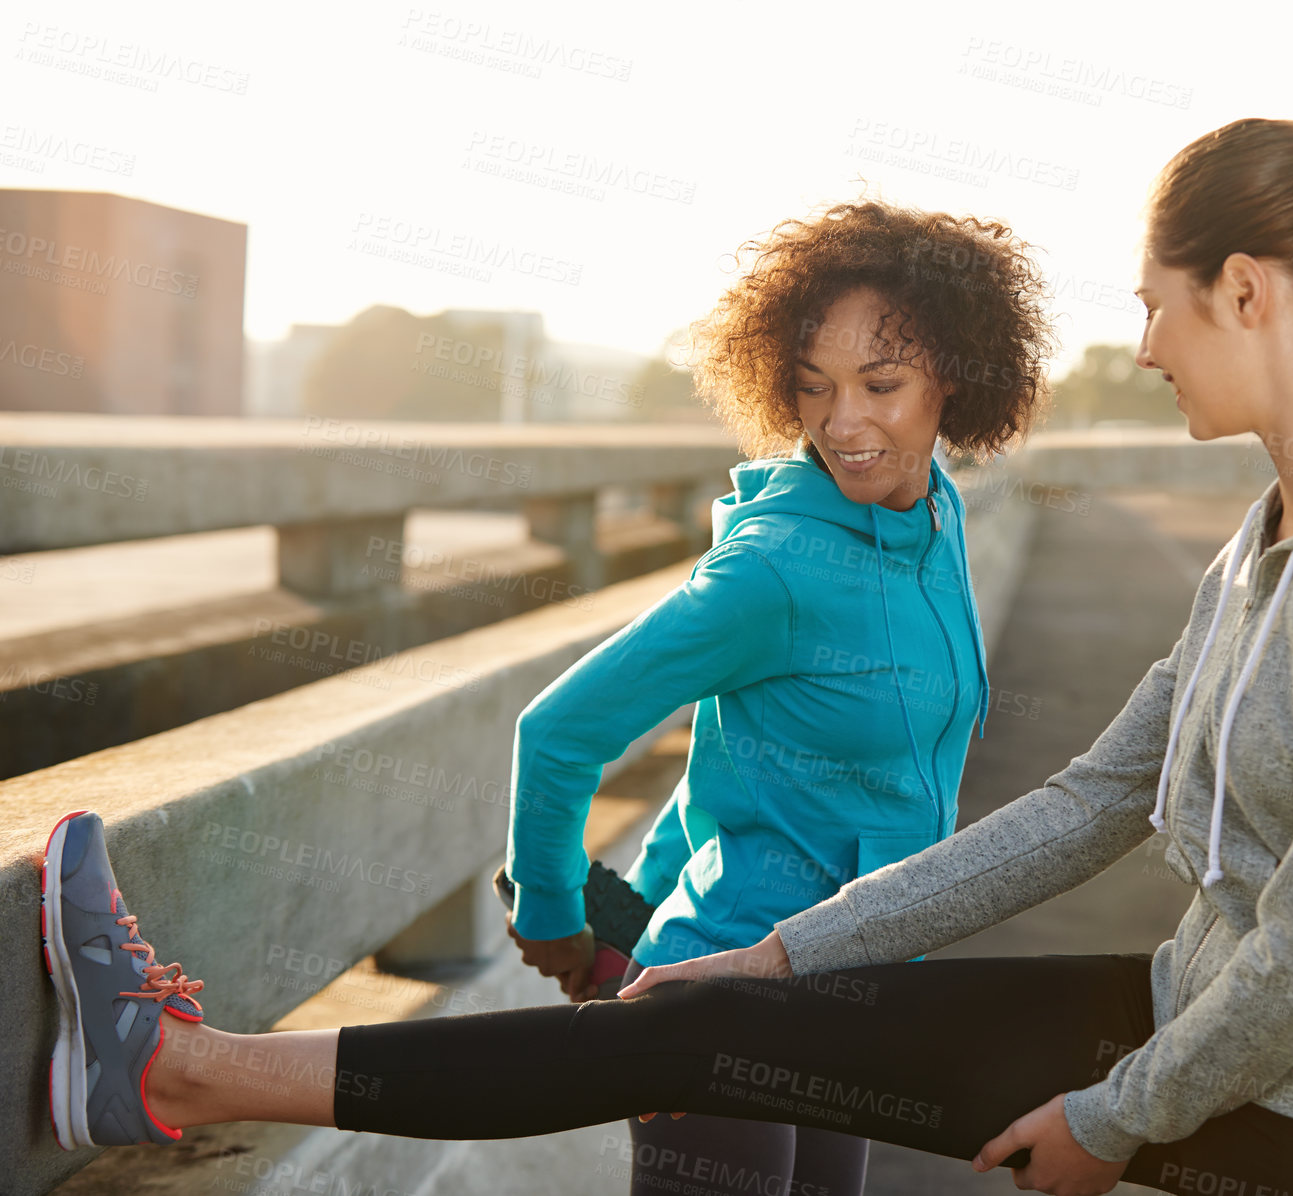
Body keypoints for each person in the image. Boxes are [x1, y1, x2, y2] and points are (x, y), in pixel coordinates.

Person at [37, 119, 1293, 1196]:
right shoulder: (1262, 545)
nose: (1138, 344)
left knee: (686, 1032)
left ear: (1244, 292)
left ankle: (174, 1060)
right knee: (696, 1017)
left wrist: (1112, 1122)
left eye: (1155, 305)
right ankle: (176, 1063)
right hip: (1205, 1024)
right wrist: (783, 957)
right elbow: (1085, 802)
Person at [38, 199, 1056, 1196]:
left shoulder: (936, 516)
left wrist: (641, 895)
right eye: (812, 385)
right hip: (721, 995)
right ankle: (150, 1058)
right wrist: (558, 916)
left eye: (880, 383)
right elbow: (559, 729)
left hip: (859, 980)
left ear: (953, 375)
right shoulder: (772, 566)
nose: (843, 422)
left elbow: (727, 754)